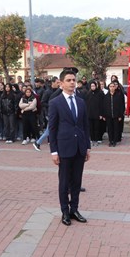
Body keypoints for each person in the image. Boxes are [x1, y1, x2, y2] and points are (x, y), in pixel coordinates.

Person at [49, 67, 91, 226]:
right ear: (61, 83)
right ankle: (65, 212)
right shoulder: (55, 103)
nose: (72, 82)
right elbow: (52, 128)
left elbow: (85, 126)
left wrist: (87, 147)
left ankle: (74, 209)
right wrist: (54, 151)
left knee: (77, 181)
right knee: (64, 181)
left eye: (74, 80)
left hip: (79, 147)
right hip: (64, 148)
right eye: (69, 80)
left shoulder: (80, 101)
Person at [103, 82, 125, 147]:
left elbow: (121, 106)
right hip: (108, 116)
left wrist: (120, 115)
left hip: (116, 115)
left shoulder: (118, 96)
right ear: (109, 87)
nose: (112, 88)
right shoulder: (106, 96)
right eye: (110, 86)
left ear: (115, 87)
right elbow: (104, 106)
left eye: (113, 86)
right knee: (109, 129)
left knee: (116, 128)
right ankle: (110, 141)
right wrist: (104, 115)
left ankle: (115, 141)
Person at [85, 81, 104, 146]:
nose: (93, 87)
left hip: (97, 114)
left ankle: (97, 139)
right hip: (90, 113)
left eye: (94, 86)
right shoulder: (88, 93)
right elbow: (86, 104)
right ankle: (92, 139)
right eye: (91, 86)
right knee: (91, 127)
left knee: (97, 127)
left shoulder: (100, 93)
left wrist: (101, 114)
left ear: (96, 86)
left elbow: (102, 104)